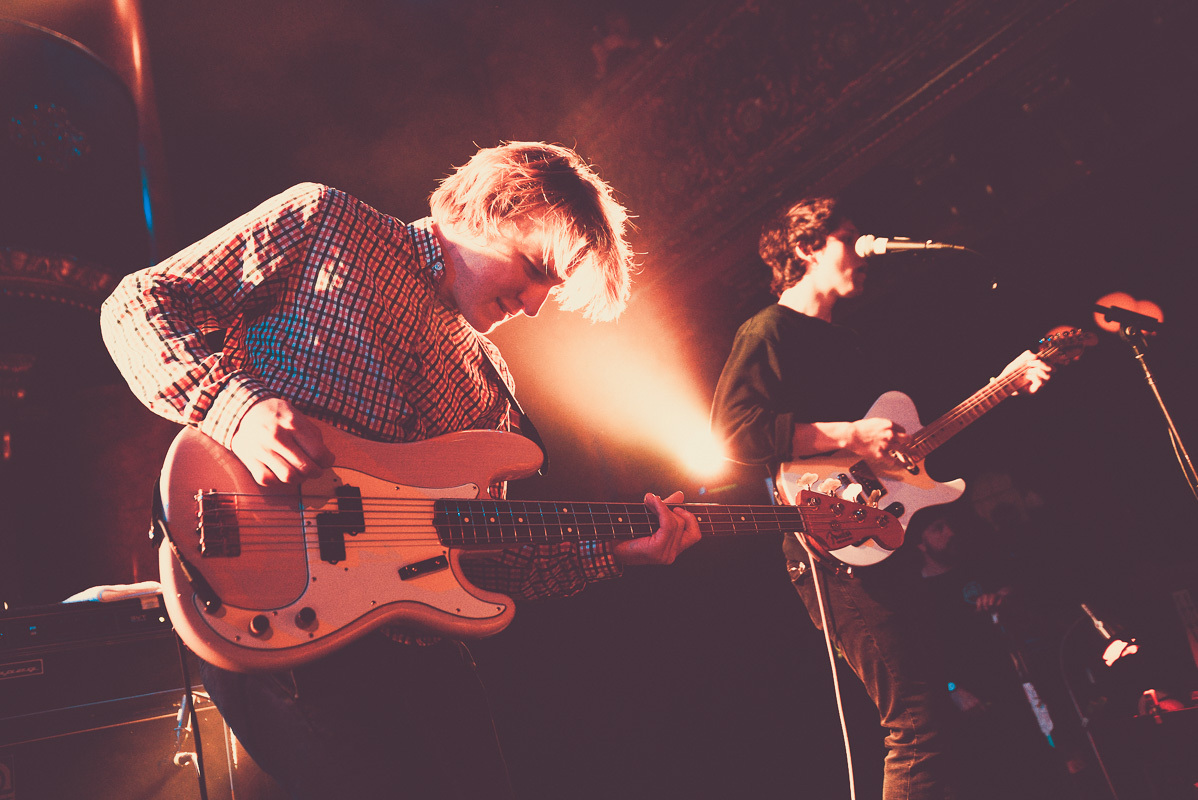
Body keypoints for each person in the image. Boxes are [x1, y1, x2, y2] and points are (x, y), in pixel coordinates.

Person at [100, 141, 701, 799]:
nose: (532, 306)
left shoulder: (489, 387)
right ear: (487, 209)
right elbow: (139, 304)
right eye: (533, 268)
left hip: (409, 649)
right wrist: (236, 409)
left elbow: (482, 563)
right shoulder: (325, 223)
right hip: (272, 598)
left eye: (548, 291)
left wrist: (610, 554)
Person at [709, 196, 1052, 800]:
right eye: (848, 238)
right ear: (806, 248)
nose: (863, 249)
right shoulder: (768, 330)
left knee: (937, 718)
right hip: (827, 544)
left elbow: (903, 453)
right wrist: (850, 435)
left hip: (882, 539)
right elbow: (732, 433)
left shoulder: (851, 343)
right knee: (916, 723)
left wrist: (1005, 387)